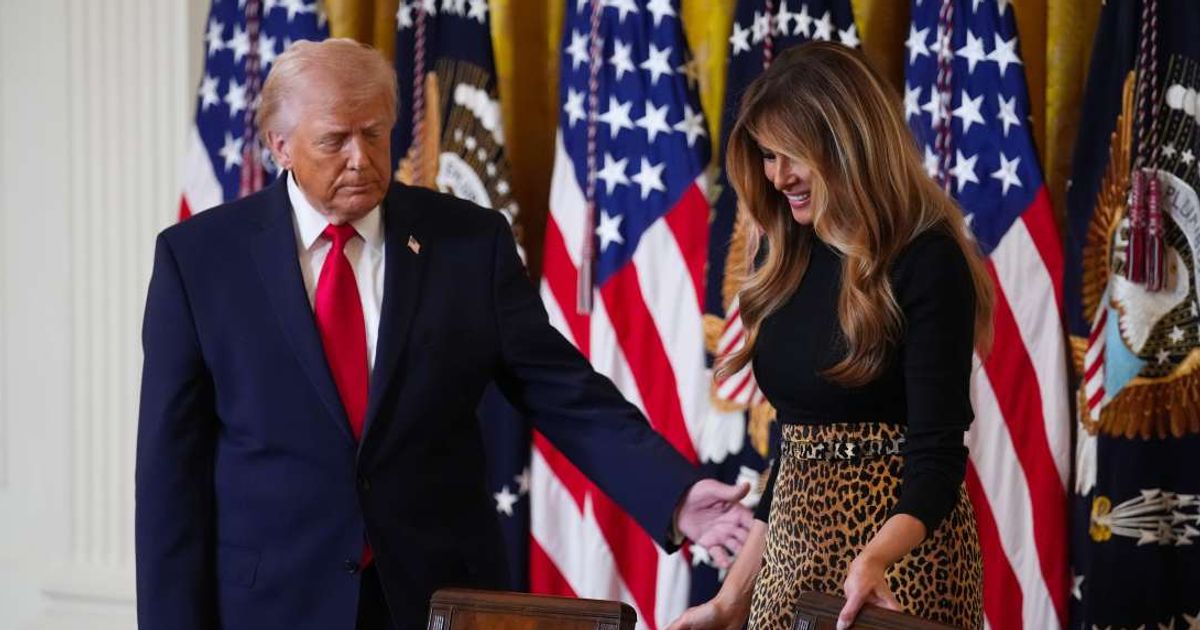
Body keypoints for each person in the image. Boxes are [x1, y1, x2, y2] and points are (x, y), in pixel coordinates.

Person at [136, 39, 752, 630]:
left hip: (437, 597)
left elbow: (565, 393)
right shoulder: (200, 261)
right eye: (334, 141)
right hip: (272, 604)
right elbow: (170, 477)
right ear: (280, 146)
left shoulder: (468, 243)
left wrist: (674, 495)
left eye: (375, 134)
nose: (361, 157)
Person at [667, 42, 993, 630]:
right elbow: (794, 454)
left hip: (900, 563)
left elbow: (938, 461)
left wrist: (874, 557)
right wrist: (728, 602)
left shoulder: (927, 258)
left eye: (793, 156)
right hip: (790, 557)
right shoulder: (788, 256)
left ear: (849, 147)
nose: (778, 176)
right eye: (767, 156)